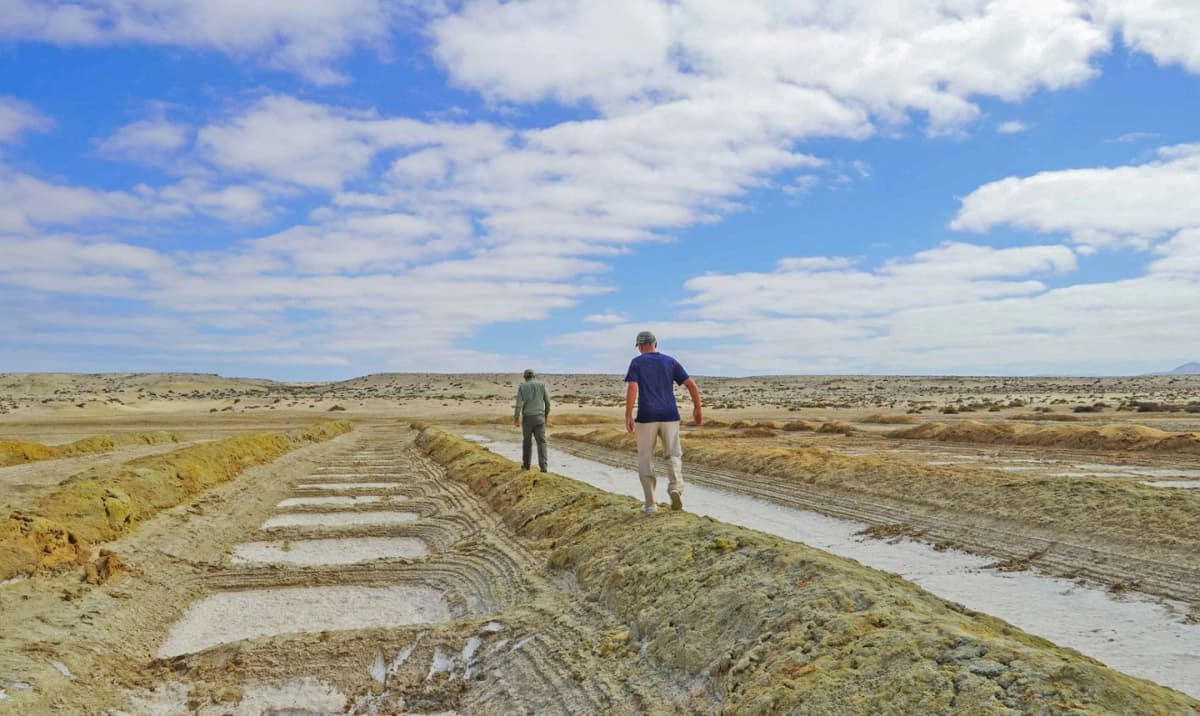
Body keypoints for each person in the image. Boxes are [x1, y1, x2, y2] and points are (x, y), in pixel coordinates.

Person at [624, 331, 702, 513]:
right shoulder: (670, 361)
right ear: (655, 343)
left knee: (646, 457)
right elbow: (691, 384)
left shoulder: (637, 362)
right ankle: (675, 488)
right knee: (673, 454)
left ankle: (650, 504)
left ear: (640, 346)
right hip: (670, 415)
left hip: (646, 416)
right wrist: (697, 408)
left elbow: (633, 387)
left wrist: (628, 414)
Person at [514, 368, 551, 472]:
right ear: (534, 376)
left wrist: (516, 418)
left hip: (528, 418)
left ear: (524, 377)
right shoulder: (542, 385)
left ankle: (526, 466)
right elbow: (547, 402)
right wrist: (546, 415)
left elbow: (518, 405)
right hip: (540, 417)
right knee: (542, 443)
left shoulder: (522, 386)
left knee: (527, 442)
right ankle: (544, 468)